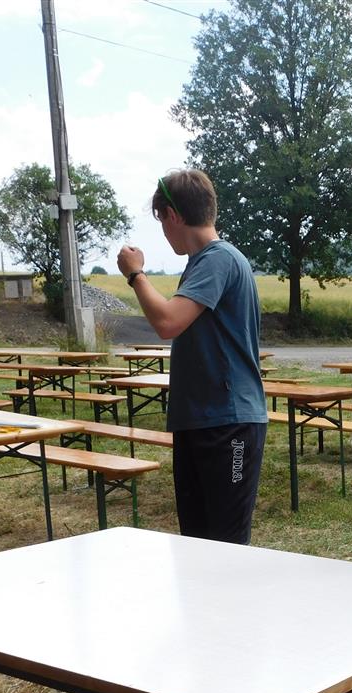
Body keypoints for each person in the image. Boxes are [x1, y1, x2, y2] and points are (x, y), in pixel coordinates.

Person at [116, 170, 268, 545]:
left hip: (228, 424)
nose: (164, 234)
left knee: (226, 549)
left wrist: (135, 275)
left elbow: (168, 322)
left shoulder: (219, 259)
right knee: (196, 546)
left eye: (161, 222)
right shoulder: (202, 263)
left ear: (173, 215)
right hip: (201, 421)